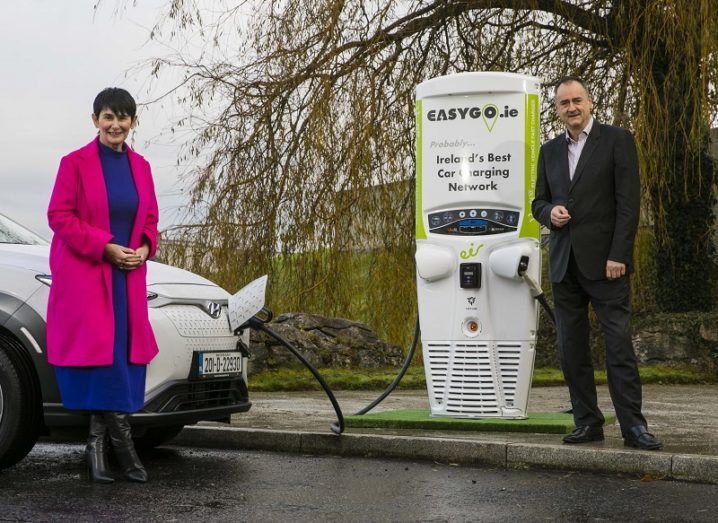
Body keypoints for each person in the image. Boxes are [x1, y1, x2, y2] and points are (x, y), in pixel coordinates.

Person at [531, 76, 661, 450]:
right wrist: (548, 212)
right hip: (564, 265)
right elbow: (537, 202)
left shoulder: (618, 141)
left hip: (607, 265)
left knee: (618, 346)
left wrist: (619, 255)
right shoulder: (549, 151)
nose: (571, 108)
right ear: (556, 110)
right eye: (563, 103)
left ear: (590, 103)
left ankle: (633, 427)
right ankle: (588, 423)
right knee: (572, 351)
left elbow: (628, 204)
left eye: (577, 100)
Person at [47, 87, 160, 482]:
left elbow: (150, 219)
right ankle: (125, 453)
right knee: (103, 360)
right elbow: (59, 216)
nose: (116, 125)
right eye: (108, 117)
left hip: (127, 277)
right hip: (88, 274)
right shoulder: (73, 163)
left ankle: (97, 447)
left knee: (122, 361)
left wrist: (145, 248)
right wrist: (106, 247)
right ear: (94, 120)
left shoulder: (142, 167)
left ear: (133, 122)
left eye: (123, 117)